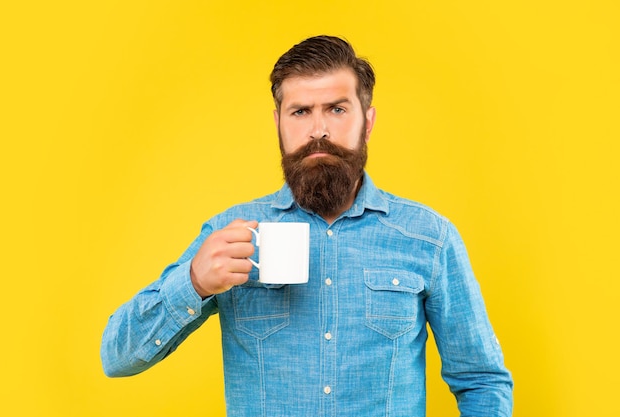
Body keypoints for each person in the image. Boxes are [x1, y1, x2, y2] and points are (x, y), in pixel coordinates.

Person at [101, 35, 513, 416]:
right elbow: (117, 358)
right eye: (300, 112)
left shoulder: (429, 239)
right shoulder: (231, 233)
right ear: (278, 122)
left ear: (367, 122)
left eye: (337, 109)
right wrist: (192, 283)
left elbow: (481, 380)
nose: (319, 130)